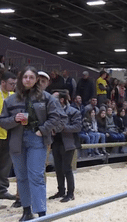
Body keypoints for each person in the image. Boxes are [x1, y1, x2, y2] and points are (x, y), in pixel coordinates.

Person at [0, 66, 62, 220]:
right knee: (21, 177)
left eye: (31, 77)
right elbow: (2, 121)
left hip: (37, 140)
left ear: (36, 80)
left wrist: (42, 129)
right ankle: (26, 211)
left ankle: (41, 212)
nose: (28, 80)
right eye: (25, 77)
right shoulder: (10, 100)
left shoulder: (46, 98)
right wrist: (14, 119)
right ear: (21, 79)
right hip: (17, 142)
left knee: (36, 176)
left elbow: (55, 118)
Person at [49, 91, 81, 203]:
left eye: (53, 99)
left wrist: (62, 128)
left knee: (67, 169)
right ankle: (61, 191)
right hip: (56, 142)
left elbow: (77, 127)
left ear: (61, 100)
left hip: (68, 143)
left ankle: (70, 193)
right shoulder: (52, 112)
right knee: (58, 168)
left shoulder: (74, 112)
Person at [0, 72, 17, 201]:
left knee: (5, 165)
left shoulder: (14, 96)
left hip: (8, 135)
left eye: (15, 84)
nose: (13, 86)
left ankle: (2, 190)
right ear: (3, 82)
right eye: (11, 83)